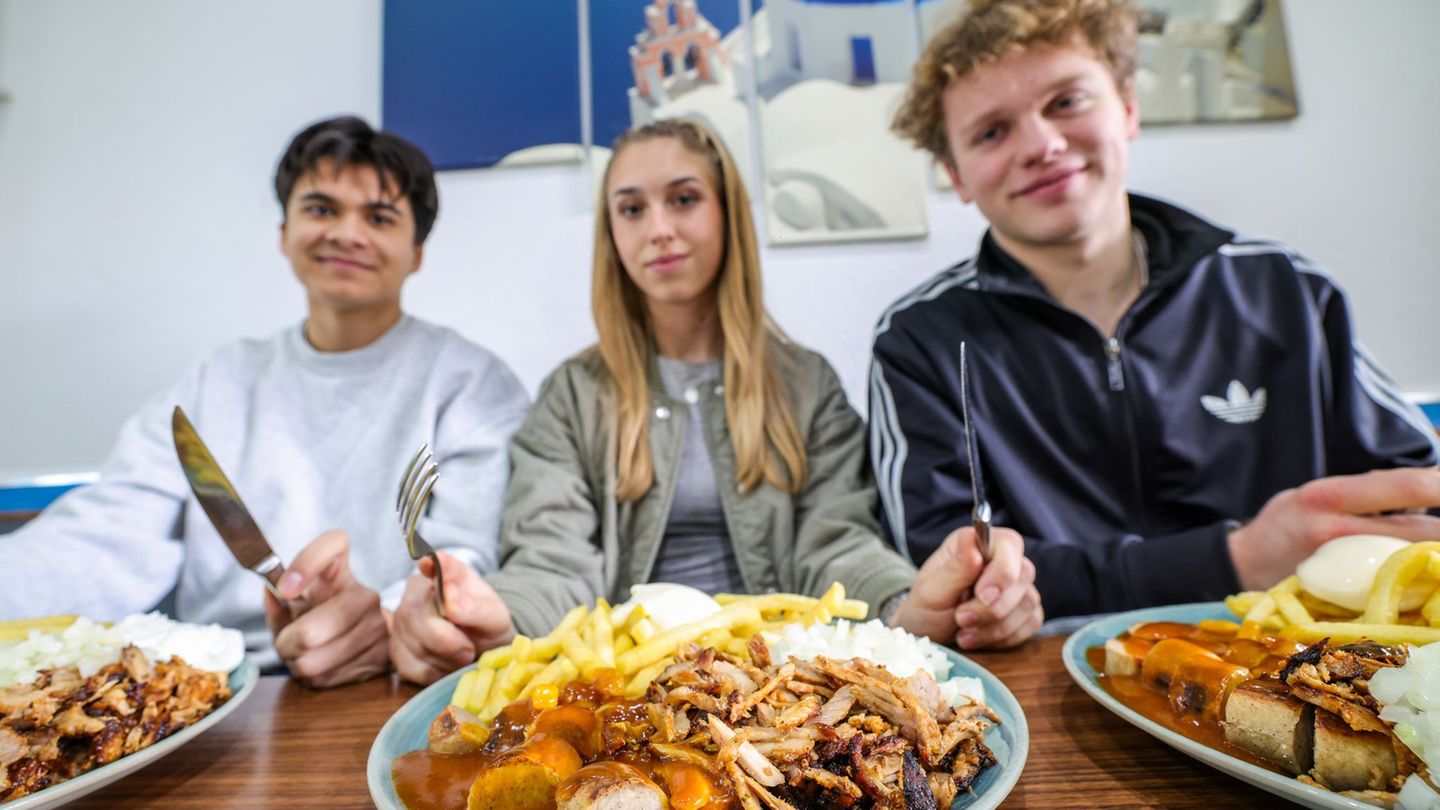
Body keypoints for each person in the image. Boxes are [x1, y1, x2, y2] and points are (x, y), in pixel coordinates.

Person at [389, 119, 1044, 684]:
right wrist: (491, 614)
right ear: (610, 233)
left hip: (784, 681)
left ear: (728, 212)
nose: (660, 229)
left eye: (684, 199)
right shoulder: (571, 396)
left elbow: (839, 544)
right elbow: (552, 559)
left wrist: (907, 603)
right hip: (628, 685)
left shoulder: (806, 384)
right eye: (632, 208)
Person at [870, 0, 1440, 622]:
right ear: (956, 175)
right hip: (1052, 680)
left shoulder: (1283, 287)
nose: (1043, 144)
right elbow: (949, 579)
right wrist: (1236, 557)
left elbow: (1415, 491)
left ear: (1128, 106)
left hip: (1304, 656)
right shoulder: (919, 341)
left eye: (1066, 102)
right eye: (991, 132)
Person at [0, 116, 530, 687]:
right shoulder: (216, 379)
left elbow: (467, 554)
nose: (347, 233)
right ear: (285, 232)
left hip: (400, 683)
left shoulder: (473, 382)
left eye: (379, 217)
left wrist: (391, 619)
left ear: (417, 251)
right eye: (322, 209)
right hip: (215, 686)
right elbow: (109, 533)